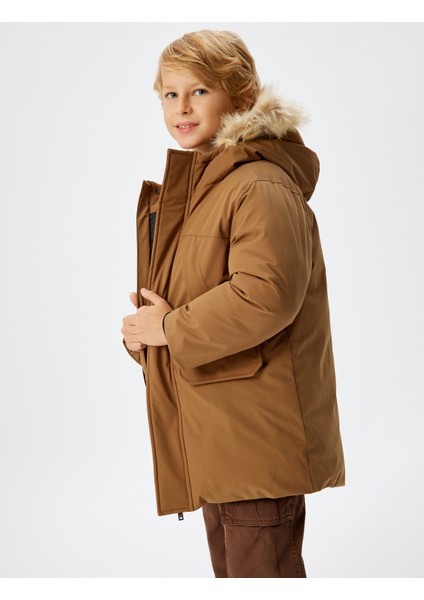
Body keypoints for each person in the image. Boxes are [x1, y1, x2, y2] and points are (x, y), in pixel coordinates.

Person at [121, 29, 345, 578]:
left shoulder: (258, 184)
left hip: (255, 437)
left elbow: (266, 295)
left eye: (199, 91)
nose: (181, 107)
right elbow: (187, 306)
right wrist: (146, 334)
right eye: (169, 94)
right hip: (220, 432)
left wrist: (169, 329)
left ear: (242, 97)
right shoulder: (204, 191)